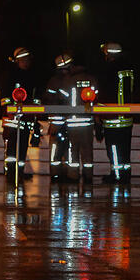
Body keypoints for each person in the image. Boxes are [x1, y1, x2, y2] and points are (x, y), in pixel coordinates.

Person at [46, 53, 97, 184]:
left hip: (69, 123)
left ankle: (71, 177)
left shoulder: (65, 81)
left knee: (71, 152)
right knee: (87, 153)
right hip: (87, 123)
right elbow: (96, 98)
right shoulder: (91, 79)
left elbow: (59, 100)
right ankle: (88, 177)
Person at [95, 42, 134, 182]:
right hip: (127, 116)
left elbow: (105, 94)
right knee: (125, 149)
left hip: (112, 117)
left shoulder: (108, 70)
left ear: (108, 54)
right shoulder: (129, 69)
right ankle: (125, 175)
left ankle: (117, 175)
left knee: (114, 148)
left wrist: (98, 115)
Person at [0, 47, 41, 183]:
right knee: (12, 146)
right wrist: (8, 109)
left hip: (27, 117)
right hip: (12, 118)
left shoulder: (32, 76)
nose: (26, 63)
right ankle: (11, 171)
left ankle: (20, 171)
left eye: (27, 60)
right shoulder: (10, 75)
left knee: (23, 145)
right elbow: (4, 96)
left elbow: (36, 96)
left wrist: (35, 110)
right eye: (23, 60)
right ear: (17, 61)